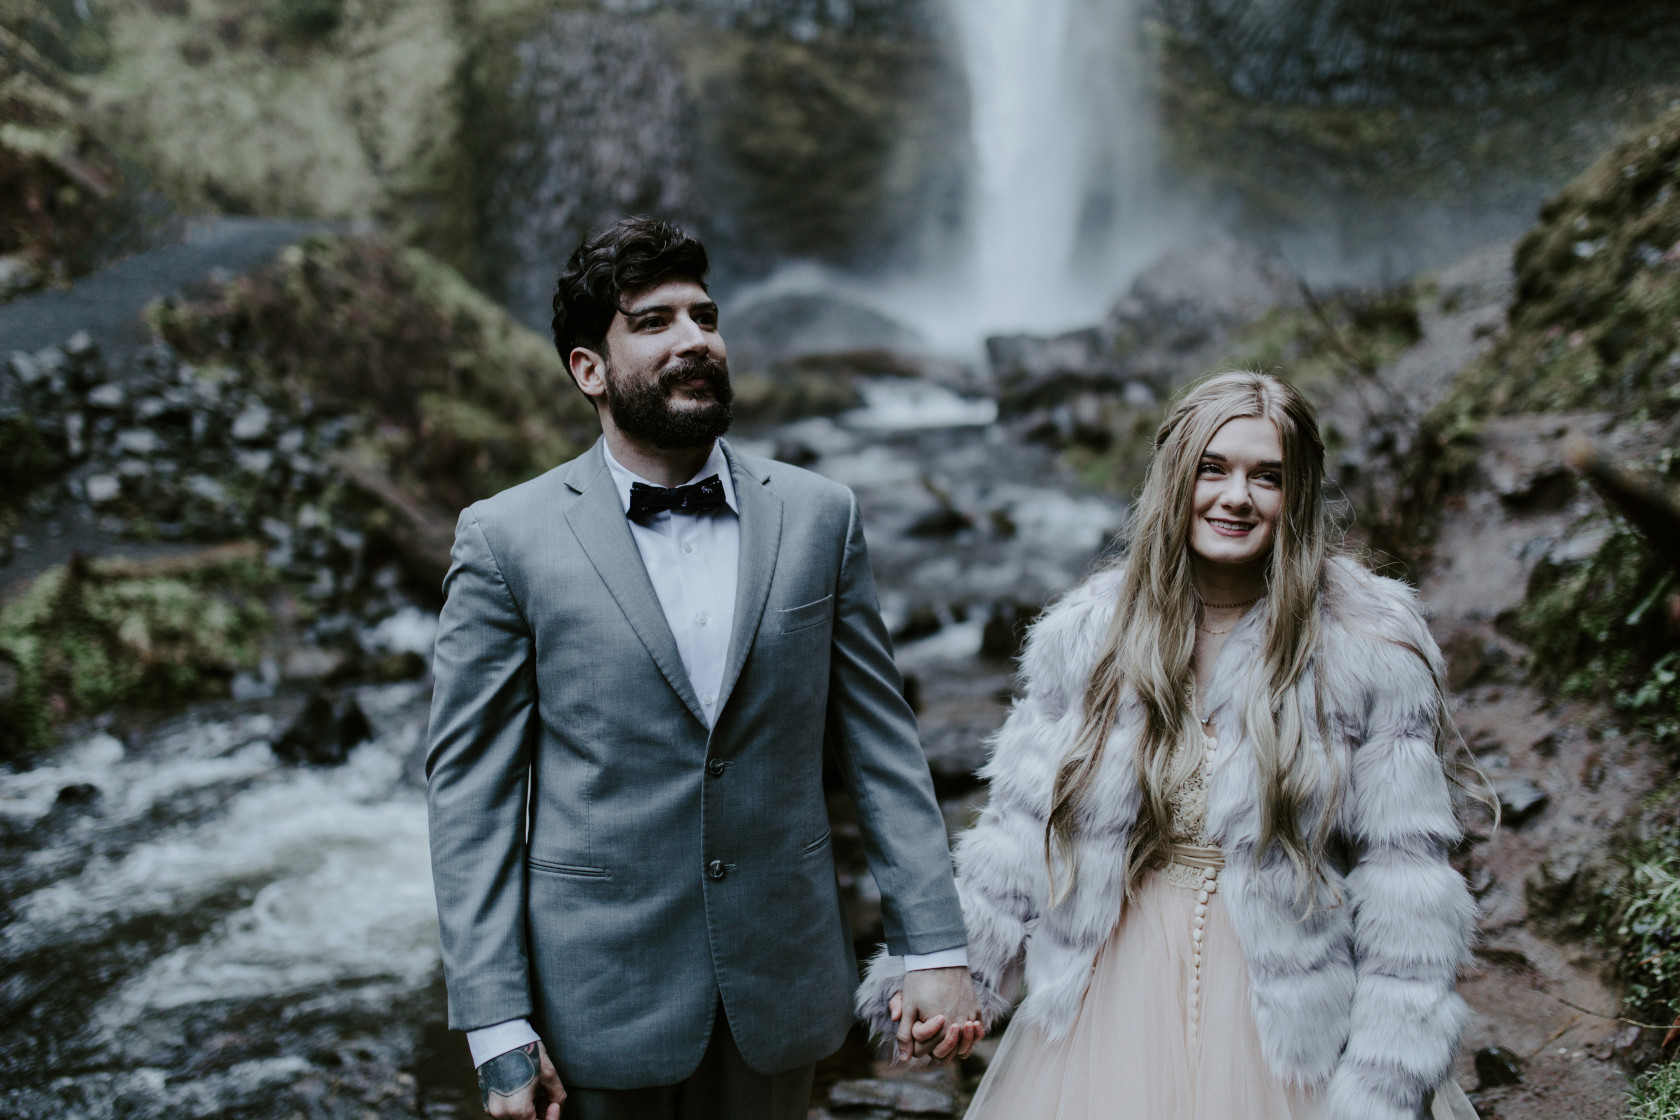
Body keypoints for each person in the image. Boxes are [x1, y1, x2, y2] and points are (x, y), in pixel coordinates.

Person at [425, 216, 982, 1120]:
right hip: (595, 1000)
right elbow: (471, 797)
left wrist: (935, 951)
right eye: (654, 322)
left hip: (783, 986)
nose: (695, 340)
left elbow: (882, 751)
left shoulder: (820, 517)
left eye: (705, 316)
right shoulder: (504, 539)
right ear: (588, 371)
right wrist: (495, 1023)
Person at [858, 370, 1484, 1119]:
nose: (1235, 497)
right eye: (1212, 469)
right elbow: (1019, 832)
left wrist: (1388, 1073)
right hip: (1111, 987)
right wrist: (951, 970)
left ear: (1300, 496)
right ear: (1175, 477)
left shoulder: (1366, 643)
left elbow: (1405, 882)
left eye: (1268, 477)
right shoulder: (1089, 634)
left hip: (1287, 1007)